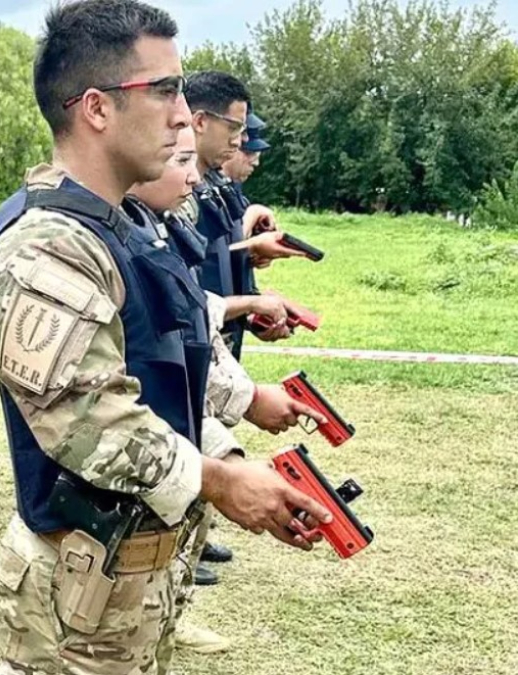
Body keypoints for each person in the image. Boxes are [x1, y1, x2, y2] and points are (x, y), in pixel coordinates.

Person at [0, 3, 332, 673]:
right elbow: (90, 422)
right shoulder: (46, 245)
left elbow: (170, 360)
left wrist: (236, 425)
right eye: (164, 89)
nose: (181, 115)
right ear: (96, 109)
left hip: (126, 580)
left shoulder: (119, 226)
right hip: (74, 596)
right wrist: (224, 480)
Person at [128, 126, 326, 660]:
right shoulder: (108, 238)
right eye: (179, 160)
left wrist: (244, 406)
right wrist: (221, 465)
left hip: (178, 411)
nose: (192, 177)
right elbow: (110, 400)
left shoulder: (154, 226)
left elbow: (190, 325)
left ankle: (169, 613)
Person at [185, 72, 304, 356]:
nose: (241, 141)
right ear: (200, 121)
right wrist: (250, 305)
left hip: (219, 351)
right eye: (235, 128)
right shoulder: (168, 196)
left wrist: (252, 316)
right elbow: (183, 301)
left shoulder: (213, 187)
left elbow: (216, 271)